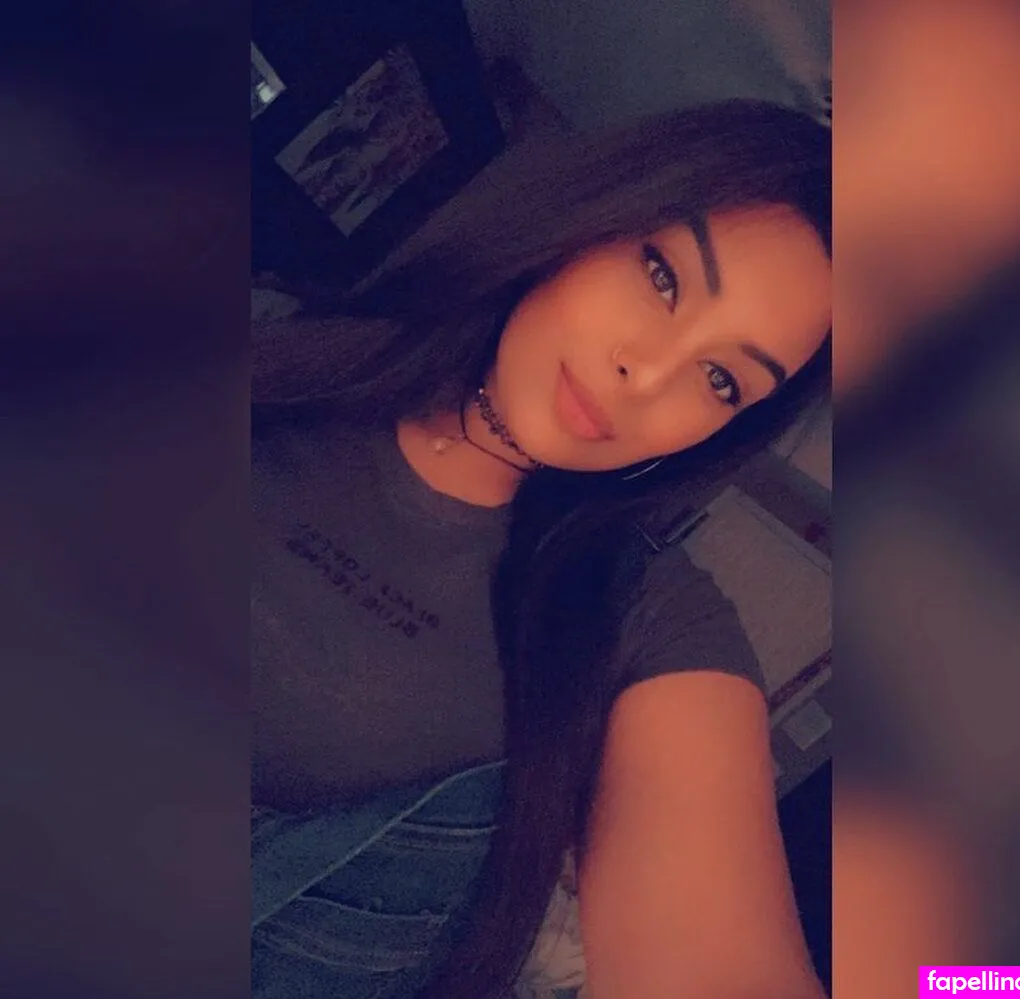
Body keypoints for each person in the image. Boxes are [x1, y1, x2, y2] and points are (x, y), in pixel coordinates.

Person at [251, 99, 832, 999]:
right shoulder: (268, 345)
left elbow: (716, 968)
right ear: (588, 222)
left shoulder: (649, 622)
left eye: (721, 379)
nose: (651, 372)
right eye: (663, 277)